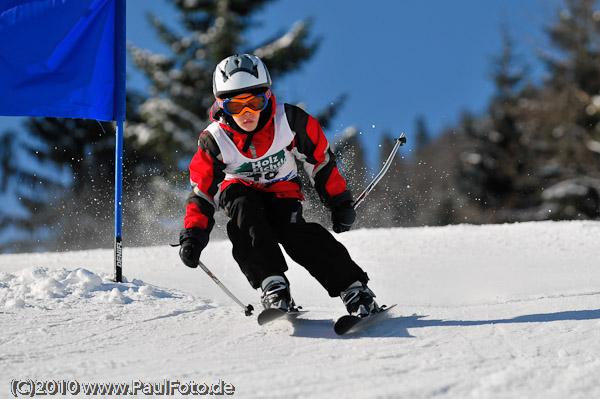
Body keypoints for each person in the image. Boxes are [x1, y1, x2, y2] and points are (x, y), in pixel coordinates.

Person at [178, 54, 380, 317]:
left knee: (293, 231)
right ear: (221, 106)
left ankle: (354, 290)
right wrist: (194, 234)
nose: (247, 113)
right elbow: (204, 191)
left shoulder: (289, 121)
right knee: (244, 215)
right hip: (238, 190)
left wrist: (339, 200)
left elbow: (319, 161)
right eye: (235, 107)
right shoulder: (214, 140)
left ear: (267, 96)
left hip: (282, 189)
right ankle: (273, 286)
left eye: (255, 102)